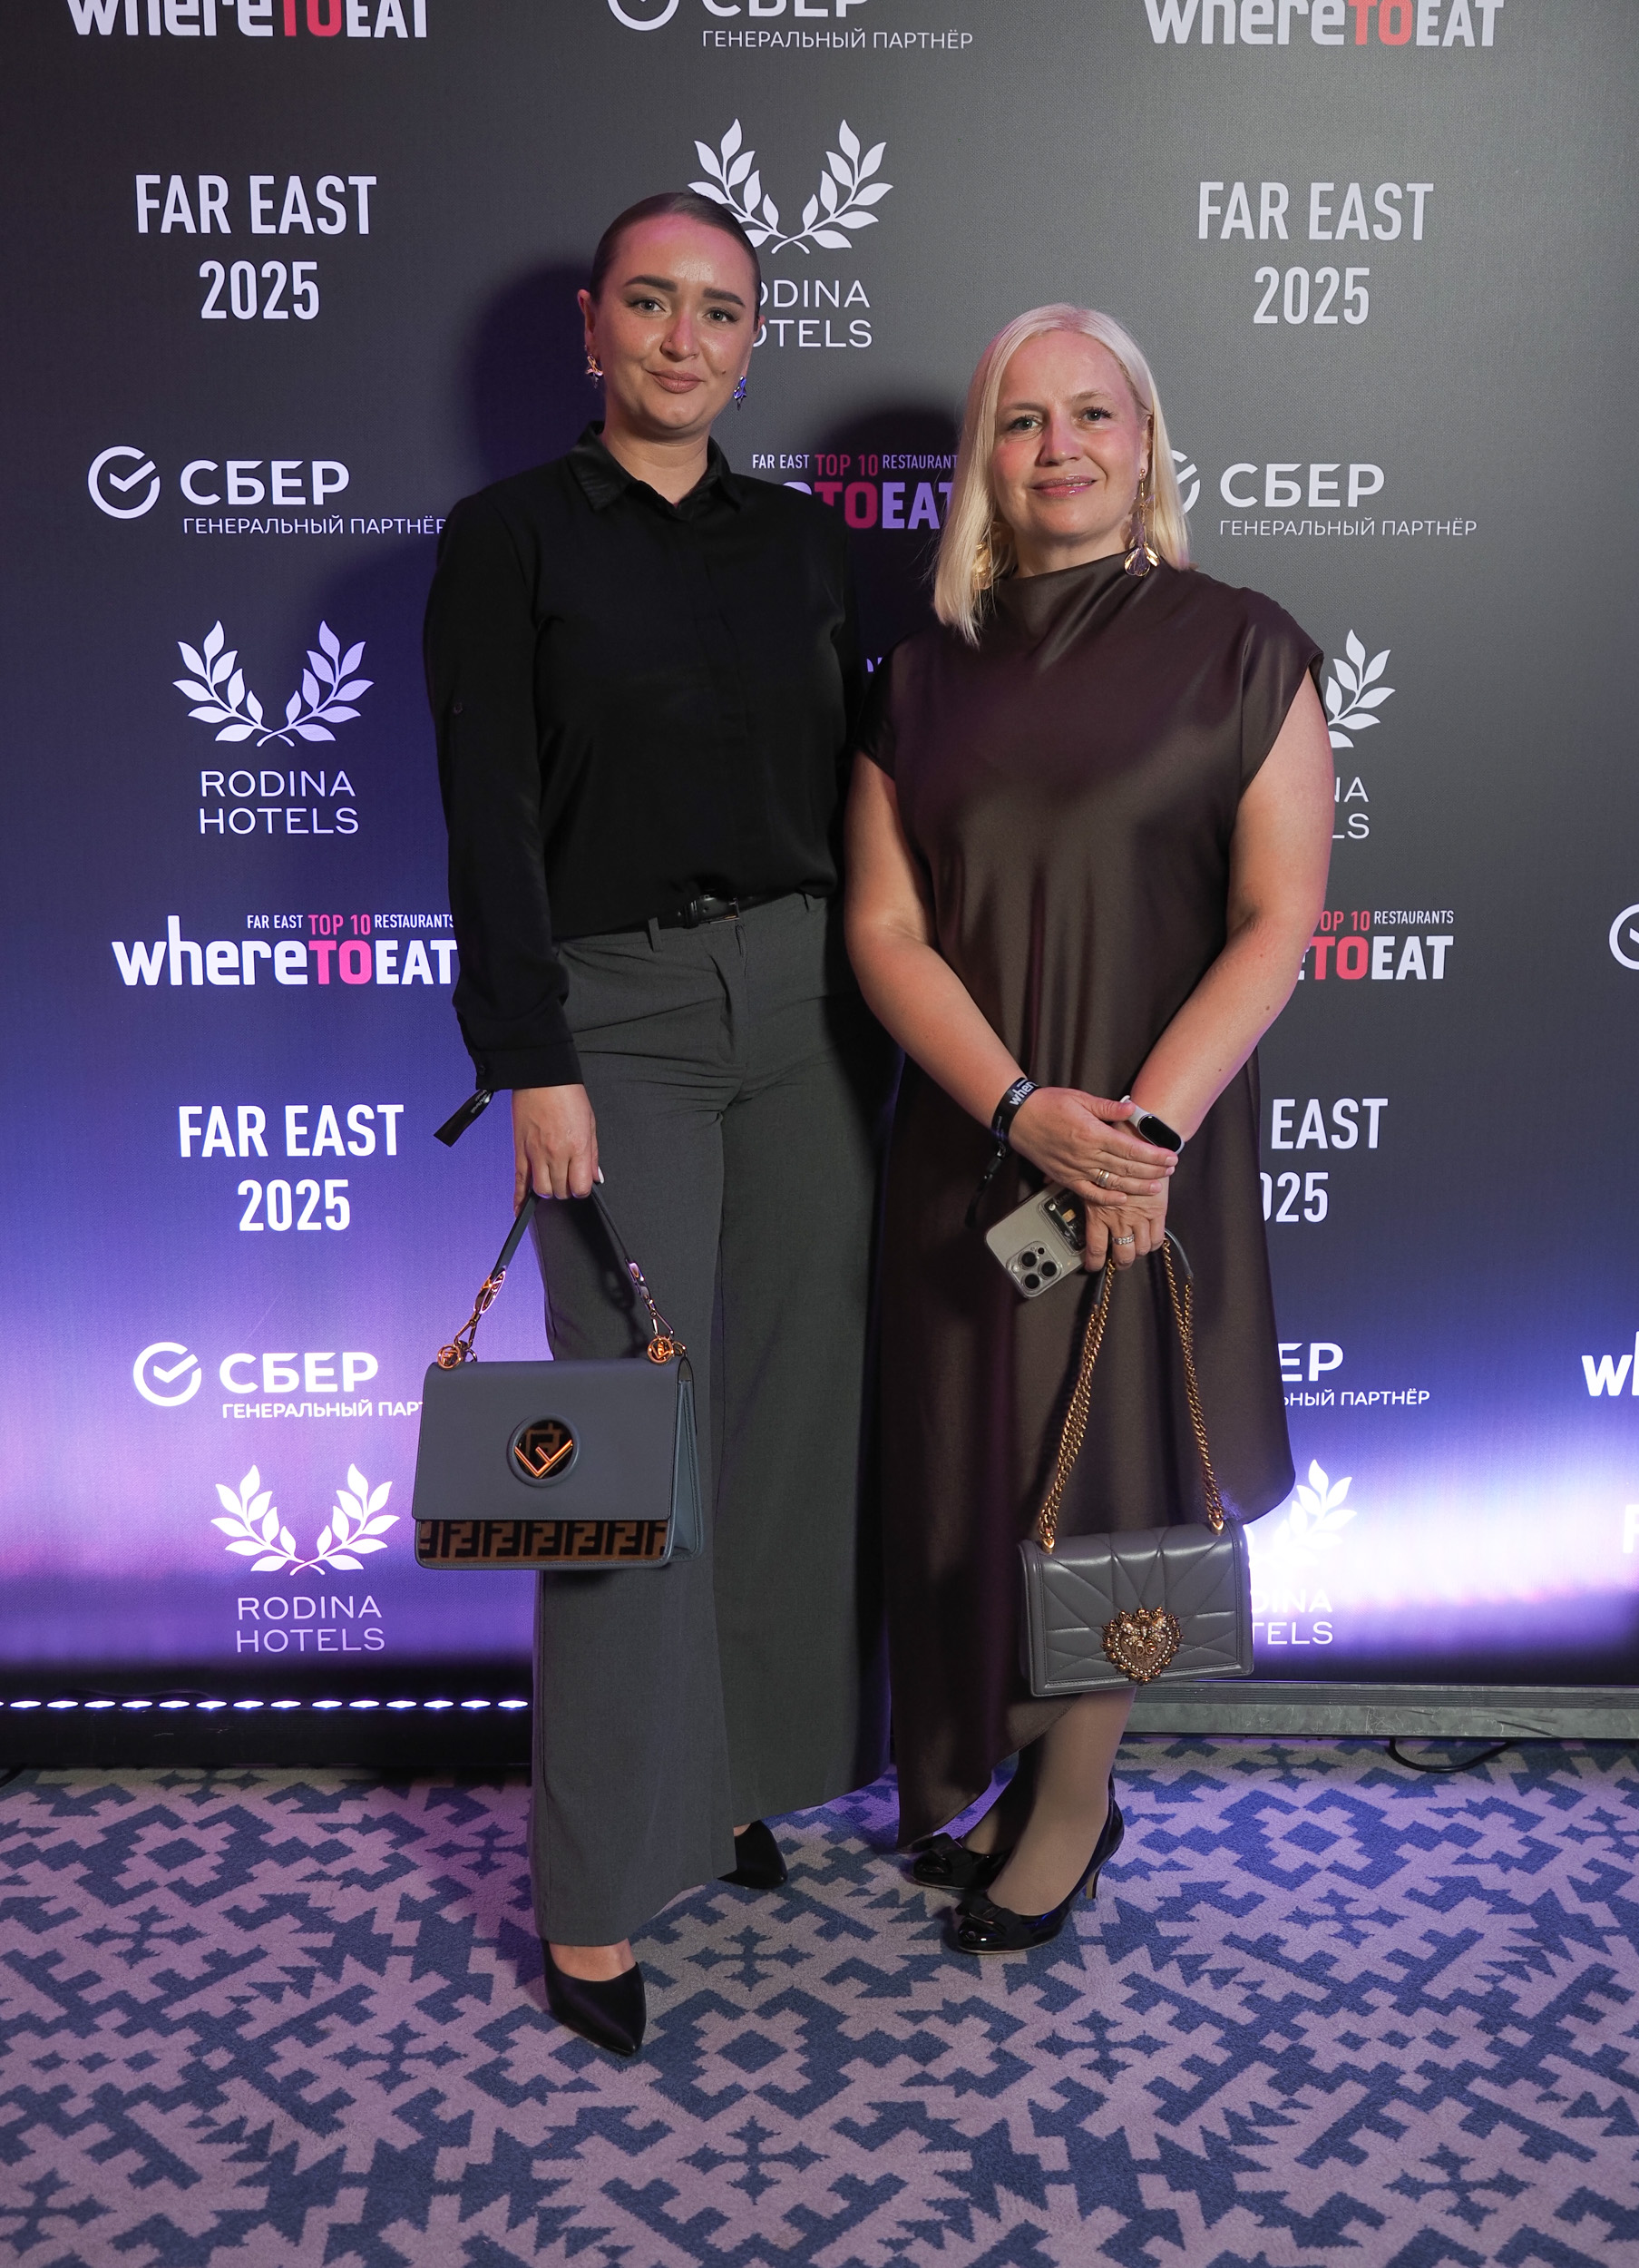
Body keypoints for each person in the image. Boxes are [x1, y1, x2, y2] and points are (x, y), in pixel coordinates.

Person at [424, 191, 892, 2056]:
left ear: (750, 343)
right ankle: (597, 1887)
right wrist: (528, 1054)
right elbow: (485, 809)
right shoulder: (508, 538)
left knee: (783, 1426)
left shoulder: (804, 545)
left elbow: (866, 797)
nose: (683, 338)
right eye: (649, 303)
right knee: (620, 1445)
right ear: (594, 329)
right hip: (608, 1020)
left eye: (718, 310)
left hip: (806, 1014)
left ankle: (736, 1782)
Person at [844, 304, 1333, 1955]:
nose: (1061, 448)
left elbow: (1276, 921)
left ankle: (1069, 1805)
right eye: (1022, 419)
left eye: (1094, 415)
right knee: (977, 1463)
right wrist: (1016, 1107)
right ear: (984, 458)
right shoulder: (917, 676)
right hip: (972, 1145)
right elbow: (885, 929)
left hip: (1146, 1149)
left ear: (1146, 444)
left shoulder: (1245, 647)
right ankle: (1019, 1766)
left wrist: (1136, 1139)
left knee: (1109, 1466)